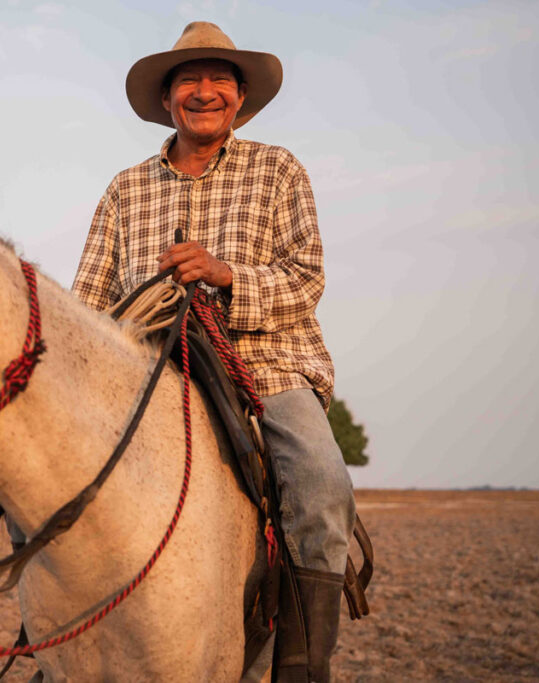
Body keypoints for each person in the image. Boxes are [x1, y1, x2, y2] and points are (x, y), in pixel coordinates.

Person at [72, 21, 355, 682]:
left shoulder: (278, 168)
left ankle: (300, 666)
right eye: (189, 79)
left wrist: (226, 275)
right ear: (167, 99)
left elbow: (306, 279)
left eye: (219, 78)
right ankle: (58, 644)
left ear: (239, 96)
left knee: (320, 483)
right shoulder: (124, 189)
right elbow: (87, 297)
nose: (205, 91)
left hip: (265, 365)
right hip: (144, 372)